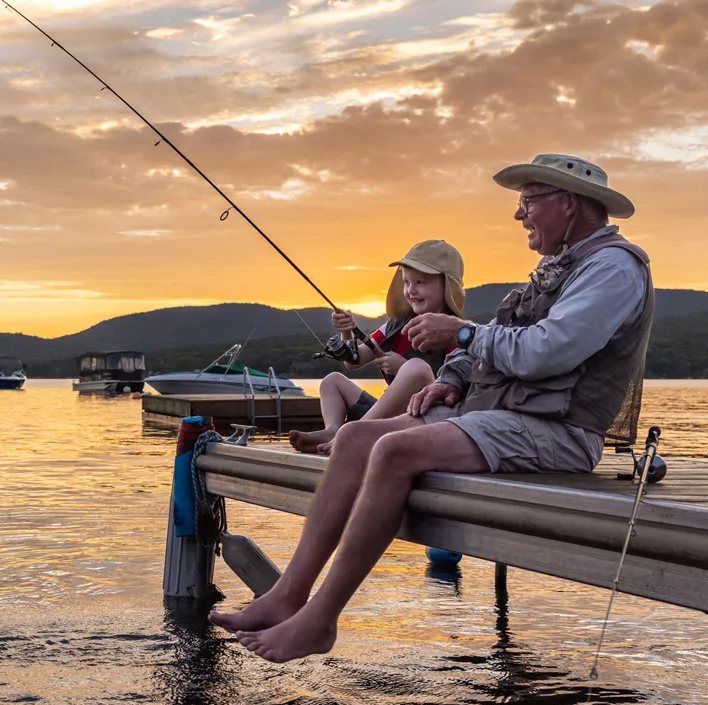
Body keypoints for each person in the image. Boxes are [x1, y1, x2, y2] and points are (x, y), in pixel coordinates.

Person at [210, 153, 654, 663]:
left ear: (568, 204)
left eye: (527, 202)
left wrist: (462, 332)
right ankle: (288, 594)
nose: (519, 215)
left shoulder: (613, 269)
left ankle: (320, 619)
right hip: (505, 417)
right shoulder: (562, 267)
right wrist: (452, 379)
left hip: (560, 431)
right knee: (354, 438)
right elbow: (506, 343)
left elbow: (545, 350)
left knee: (396, 449)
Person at [288, 240, 465, 455]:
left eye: (420, 282)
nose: (411, 291)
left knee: (416, 368)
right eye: (406, 282)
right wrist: (347, 331)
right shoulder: (395, 325)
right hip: (382, 416)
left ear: (447, 285)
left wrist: (404, 368)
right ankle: (333, 431)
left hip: (424, 418)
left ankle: (353, 434)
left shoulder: (457, 333)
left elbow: (454, 389)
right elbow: (354, 361)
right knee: (331, 381)